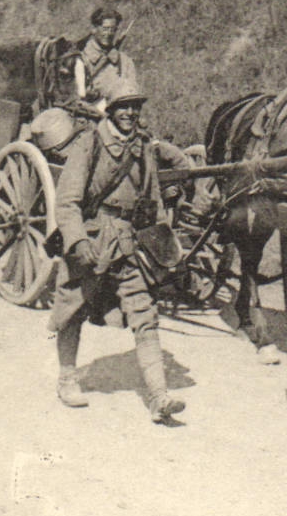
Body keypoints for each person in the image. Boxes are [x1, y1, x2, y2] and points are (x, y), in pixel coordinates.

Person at [49, 80, 192, 422]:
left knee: (144, 313)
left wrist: (166, 249)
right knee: (72, 307)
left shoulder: (143, 147)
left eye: (135, 107)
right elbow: (67, 201)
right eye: (123, 107)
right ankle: (67, 377)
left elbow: (153, 203)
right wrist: (78, 241)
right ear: (111, 110)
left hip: (129, 242)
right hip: (93, 238)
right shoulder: (90, 143)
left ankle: (159, 397)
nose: (130, 113)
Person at [73, 6, 137, 110]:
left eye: (113, 30)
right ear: (94, 29)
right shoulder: (80, 59)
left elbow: (132, 93)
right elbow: (75, 97)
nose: (109, 34)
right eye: (105, 29)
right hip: (88, 115)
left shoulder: (125, 62)